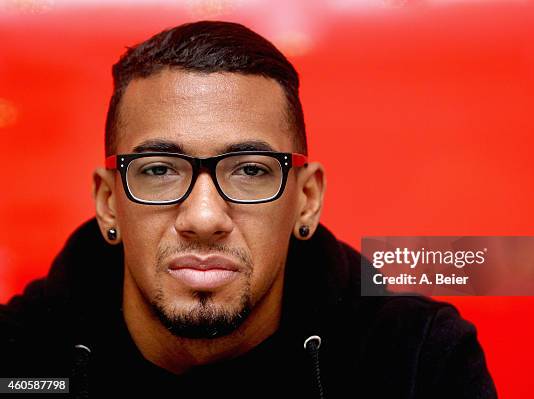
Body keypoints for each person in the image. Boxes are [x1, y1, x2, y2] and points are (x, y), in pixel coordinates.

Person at [0, 21, 496, 398]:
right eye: (158, 169)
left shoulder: (416, 361)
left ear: (306, 198)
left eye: (250, 170)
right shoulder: (17, 360)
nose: (203, 218)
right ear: (109, 203)